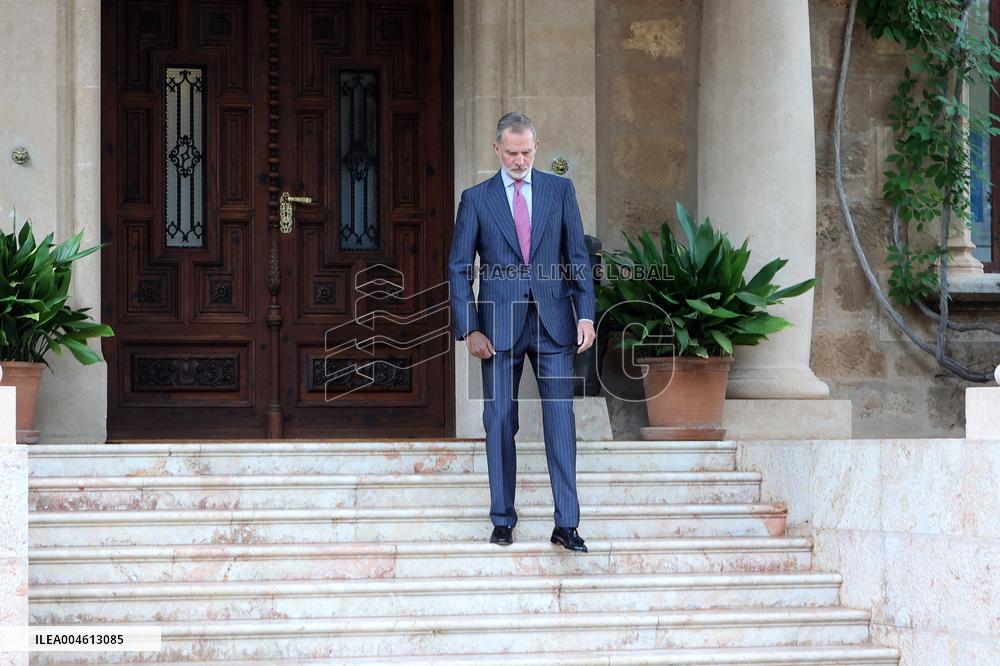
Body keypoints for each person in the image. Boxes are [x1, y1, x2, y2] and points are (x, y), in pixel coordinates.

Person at [447, 112, 597, 552]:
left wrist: (585, 315)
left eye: (526, 152)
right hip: (497, 327)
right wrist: (470, 329)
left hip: (555, 322)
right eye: (511, 152)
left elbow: (577, 257)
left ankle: (567, 524)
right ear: (497, 149)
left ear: (536, 146)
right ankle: (502, 519)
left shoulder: (560, 191)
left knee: (560, 422)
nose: (519, 160)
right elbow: (459, 269)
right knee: (498, 420)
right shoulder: (476, 199)